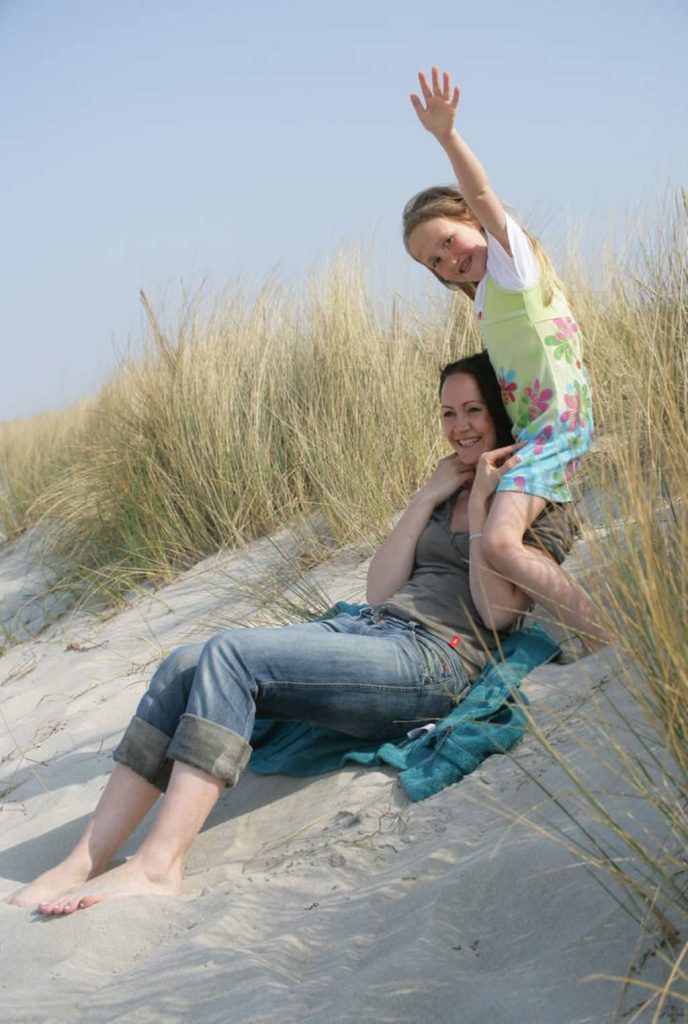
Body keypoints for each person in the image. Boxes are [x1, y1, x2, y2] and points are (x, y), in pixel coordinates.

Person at [8, 353, 577, 916]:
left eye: (473, 410)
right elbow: (380, 591)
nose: (460, 427)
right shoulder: (446, 487)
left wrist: (481, 505)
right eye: (448, 413)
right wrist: (427, 497)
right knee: (186, 662)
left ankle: (159, 866)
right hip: (371, 630)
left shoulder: (529, 500)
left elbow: (497, 613)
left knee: (232, 657)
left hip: (436, 659)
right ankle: (89, 855)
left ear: (501, 415)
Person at [404, 67, 605, 649]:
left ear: (469, 221)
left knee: (497, 543)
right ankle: (562, 622)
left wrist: (447, 137)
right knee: (495, 558)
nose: (447, 260)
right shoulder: (489, 298)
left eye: (447, 240)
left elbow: (484, 194)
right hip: (535, 432)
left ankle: (601, 632)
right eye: (432, 263)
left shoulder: (513, 267)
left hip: (558, 429)